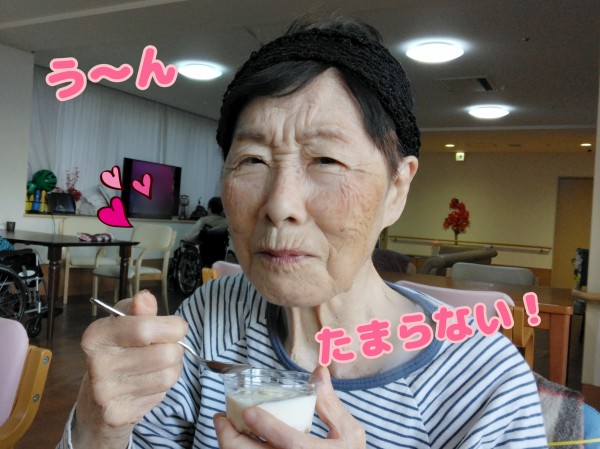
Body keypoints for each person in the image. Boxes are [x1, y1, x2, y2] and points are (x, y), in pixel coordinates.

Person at [58, 17, 547, 449]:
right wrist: (99, 430)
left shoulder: (486, 387)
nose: (280, 205)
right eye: (252, 160)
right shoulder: (211, 321)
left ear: (396, 190)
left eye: (326, 160)